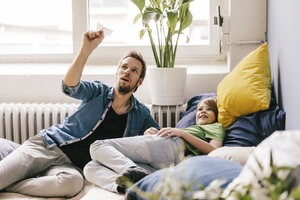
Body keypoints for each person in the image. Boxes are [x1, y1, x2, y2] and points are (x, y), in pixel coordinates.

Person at [0, 30, 159, 197]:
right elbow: (69, 86)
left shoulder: (141, 114)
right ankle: (11, 169)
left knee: (72, 184)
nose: (127, 71)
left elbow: (159, 142)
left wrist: (150, 134)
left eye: (134, 70)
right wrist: (86, 49)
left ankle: (11, 185)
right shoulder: (98, 91)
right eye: (124, 67)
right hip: (49, 147)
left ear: (140, 81)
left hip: (71, 167)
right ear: (117, 72)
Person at [84, 97, 226, 193]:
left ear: (216, 114)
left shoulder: (216, 127)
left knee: (97, 146)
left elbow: (214, 150)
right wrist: (150, 135)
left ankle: (132, 169)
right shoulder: (192, 128)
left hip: (171, 147)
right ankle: (126, 187)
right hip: (163, 162)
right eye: (200, 109)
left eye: (208, 109)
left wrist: (181, 133)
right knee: (90, 167)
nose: (202, 112)